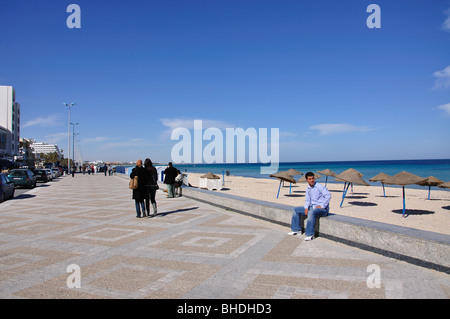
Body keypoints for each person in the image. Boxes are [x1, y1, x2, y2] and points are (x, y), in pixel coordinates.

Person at [289, 172, 331, 241]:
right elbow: (307, 200)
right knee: (296, 210)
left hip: (323, 210)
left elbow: (328, 195)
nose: (312, 180)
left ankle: (310, 234)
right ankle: (297, 230)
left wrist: (322, 205)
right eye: (310, 179)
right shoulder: (308, 189)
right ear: (307, 180)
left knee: (311, 212)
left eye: (313, 178)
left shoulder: (319, 186)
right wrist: (306, 208)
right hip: (313, 207)